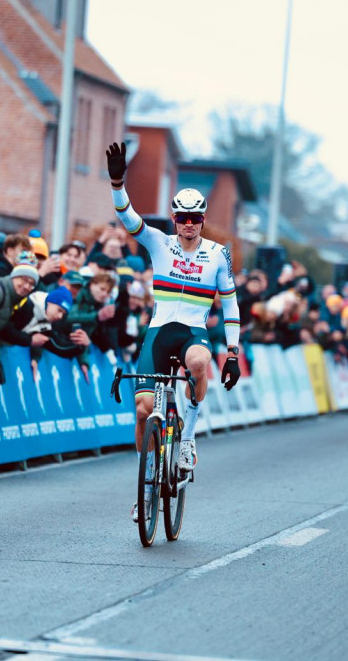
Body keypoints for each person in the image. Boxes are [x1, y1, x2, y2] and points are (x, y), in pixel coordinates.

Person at [106, 141, 241, 523]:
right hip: (159, 331)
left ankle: (187, 438)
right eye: (182, 217)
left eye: (195, 218)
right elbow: (127, 216)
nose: (188, 224)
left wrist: (232, 353)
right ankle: (146, 477)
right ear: (174, 218)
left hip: (193, 333)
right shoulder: (158, 242)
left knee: (199, 361)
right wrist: (118, 182)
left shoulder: (218, 254)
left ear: (203, 219)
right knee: (143, 409)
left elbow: (230, 304)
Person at [0, 261, 46, 385]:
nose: (26, 286)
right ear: (13, 277)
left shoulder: (15, 299)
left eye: (31, 284)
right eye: (23, 280)